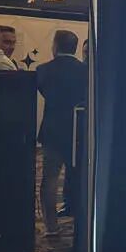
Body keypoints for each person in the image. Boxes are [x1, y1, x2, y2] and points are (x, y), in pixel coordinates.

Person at [36, 30, 87, 235]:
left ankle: (51, 225)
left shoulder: (42, 70)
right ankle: (82, 221)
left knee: (50, 179)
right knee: (80, 177)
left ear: (55, 45)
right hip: (79, 130)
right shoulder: (86, 71)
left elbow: (44, 92)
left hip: (52, 131)